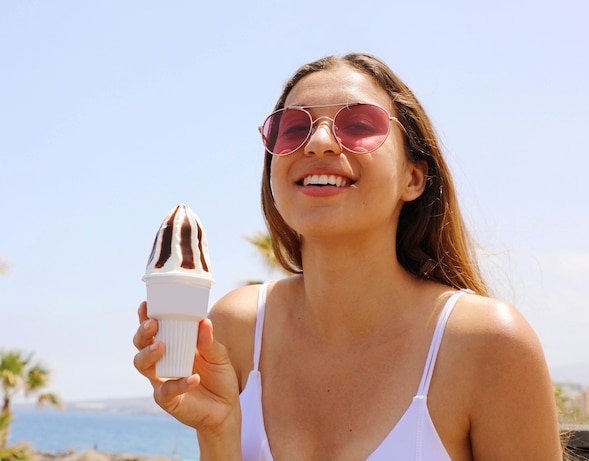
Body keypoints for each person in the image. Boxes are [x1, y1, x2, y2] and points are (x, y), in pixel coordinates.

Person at [133, 53, 563, 460]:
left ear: (413, 178)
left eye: (358, 124)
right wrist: (217, 432)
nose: (319, 143)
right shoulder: (235, 330)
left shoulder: (488, 344)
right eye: (293, 129)